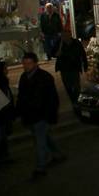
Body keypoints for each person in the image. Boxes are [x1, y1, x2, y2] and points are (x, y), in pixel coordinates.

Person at [16, 52, 63, 180]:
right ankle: (57, 154)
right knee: (43, 137)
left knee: (40, 141)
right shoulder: (24, 77)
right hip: (30, 115)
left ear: (35, 63)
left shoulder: (44, 77)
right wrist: (19, 111)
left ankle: (40, 167)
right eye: (24, 64)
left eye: (29, 63)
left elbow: (51, 99)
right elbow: (21, 97)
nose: (26, 66)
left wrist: (51, 114)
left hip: (41, 115)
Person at [54, 30, 88, 105]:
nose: (65, 37)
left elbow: (83, 54)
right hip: (64, 69)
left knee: (76, 87)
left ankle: (77, 101)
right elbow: (53, 53)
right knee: (68, 86)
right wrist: (59, 49)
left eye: (67, 35)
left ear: (70, 35)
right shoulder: (59, 43)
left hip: (74, 67)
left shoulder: (76, 43)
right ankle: (74, 101)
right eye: (63, 35)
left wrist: (85, 65)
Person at [0, 61, 15, 165]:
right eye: (5, 68)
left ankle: (4, 157)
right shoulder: (1, 83)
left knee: (3, 137)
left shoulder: (4, 82)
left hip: (3, 115)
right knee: (0, 137)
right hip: (0, 114)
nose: (7, 70)